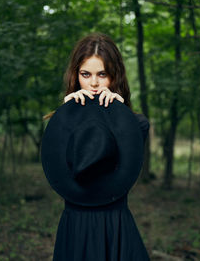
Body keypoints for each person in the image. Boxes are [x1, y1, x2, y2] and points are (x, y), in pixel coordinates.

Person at [42, 32, 150, 261]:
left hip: (115, 228)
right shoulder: (60, 122)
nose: (93, 83)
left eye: (102, 74)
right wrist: (66, 117)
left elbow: (136, 137)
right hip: (75, 230)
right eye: (85, 74)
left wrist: (123, 118)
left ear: (115, 77)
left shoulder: (137, 124)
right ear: (75, 76)